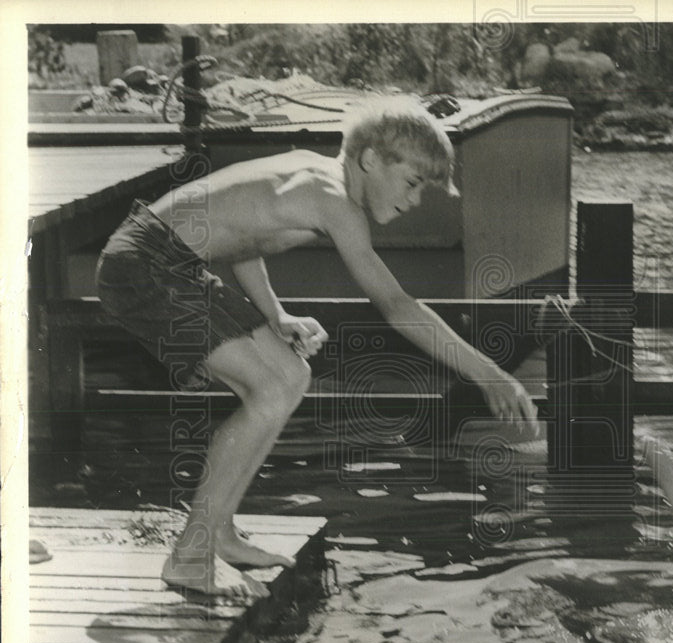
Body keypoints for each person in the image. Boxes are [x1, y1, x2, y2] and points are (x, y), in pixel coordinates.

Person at [96, 96, 539, 598]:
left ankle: (218, 532)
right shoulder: (335, 201)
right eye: (413, 183)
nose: (415, 202)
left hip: (166, 260)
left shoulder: (313, 174)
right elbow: (397, 305)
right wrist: (488, 373)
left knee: (290, 376)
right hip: (144, 265)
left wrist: (276, 315)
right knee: (267, 389)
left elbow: (244, 241)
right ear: (370, 160)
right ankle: (190, 555)